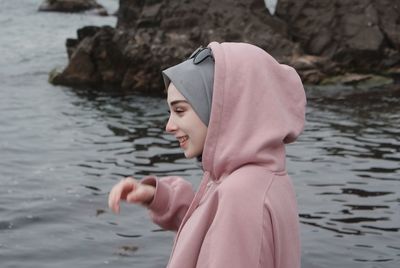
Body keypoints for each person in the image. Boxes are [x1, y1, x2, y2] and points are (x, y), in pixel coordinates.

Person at [108, 41, 306, 268]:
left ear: (223, 109)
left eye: (180, 110)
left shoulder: (240, 196)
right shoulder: (261, 178)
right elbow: (213, 231)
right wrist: (157, 196)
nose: (169, 126)